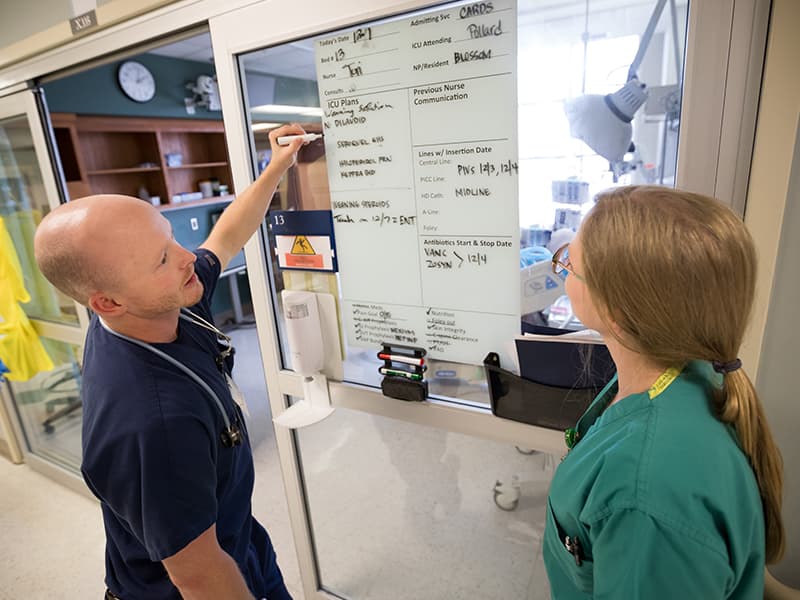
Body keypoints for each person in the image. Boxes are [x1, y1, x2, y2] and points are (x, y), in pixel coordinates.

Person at [34, 124, 308, 600]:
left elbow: (225, 236)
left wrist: (276, 169)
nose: (187, 258)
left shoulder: (155, 306)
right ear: (108, 302)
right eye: (162, 259)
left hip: (238, 542)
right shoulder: (153, 425)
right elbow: (198, 576)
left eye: (172, 237)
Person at [544, 185, 785, 599]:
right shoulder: (687, 374)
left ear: (618, 311)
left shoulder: (647, 493)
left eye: (570, 264)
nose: (562, 270)